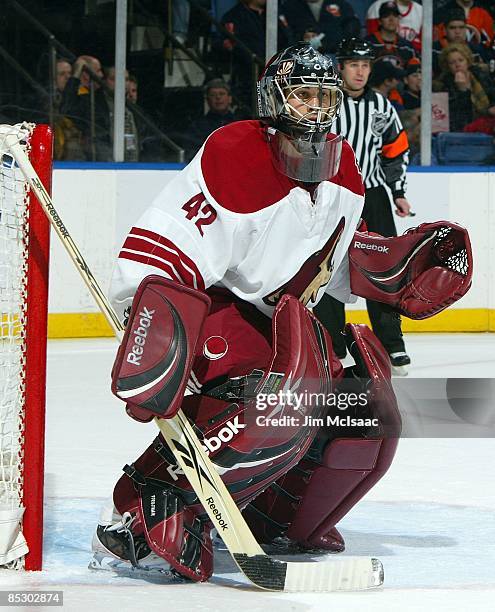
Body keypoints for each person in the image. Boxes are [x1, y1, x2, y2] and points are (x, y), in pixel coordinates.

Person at [89, 43, 471, 581]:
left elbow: (327, 261)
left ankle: (279, 516)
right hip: (209, 306)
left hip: (275, 317)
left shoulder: (342, 169)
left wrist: (392, 269)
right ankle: (145, 506)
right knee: (276, 398)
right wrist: (155, 336)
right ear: (274, 98)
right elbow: (166, 245)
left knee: (362, 416)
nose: (315, 109)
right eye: (302, 96)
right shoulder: (236, 152)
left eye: (324, 97)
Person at [314, 38, 412, 373]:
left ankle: (391, 344)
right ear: (340, 66)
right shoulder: (326, 102)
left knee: (383, 272)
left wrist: (398, 191)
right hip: (331, 198)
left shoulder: (382, 107)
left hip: (373, 198)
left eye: (366, 65)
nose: (360, 71)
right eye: (354, 64)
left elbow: (395, 149)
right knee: (325, 269)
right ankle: (331, 343)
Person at [433, 42, 495, 132]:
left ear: (467, 61)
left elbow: (492, 96)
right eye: (452, 62)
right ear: (447, 66)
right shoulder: (442, 85)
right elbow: (456, 120)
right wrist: (462, 91)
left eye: (461, 60)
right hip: (463, 130)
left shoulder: (481, 75)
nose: (457, 65)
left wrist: (491, 109)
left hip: (488, 121)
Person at [184, 79, 236, 161]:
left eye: (222, 94)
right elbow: (192, 155)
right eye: (213, 95)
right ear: (207, 100)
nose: (218, 97)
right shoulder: (197, 127)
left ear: (230, 99)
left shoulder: (239, 124)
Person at [281, 0, 360, 54]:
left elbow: (352, 32)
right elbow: (284, 35)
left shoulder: (341, 5)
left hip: (334, 57)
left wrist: (326, 44)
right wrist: (302, 38)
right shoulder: (289, 6)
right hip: (300, 57)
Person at [365, 1, 417, 68]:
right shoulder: (367, 44)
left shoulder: (407, 48)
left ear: (398, 20)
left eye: (395, 15)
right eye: (386, 15)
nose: (391, 19)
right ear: (380, 21)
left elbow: (414, 74)